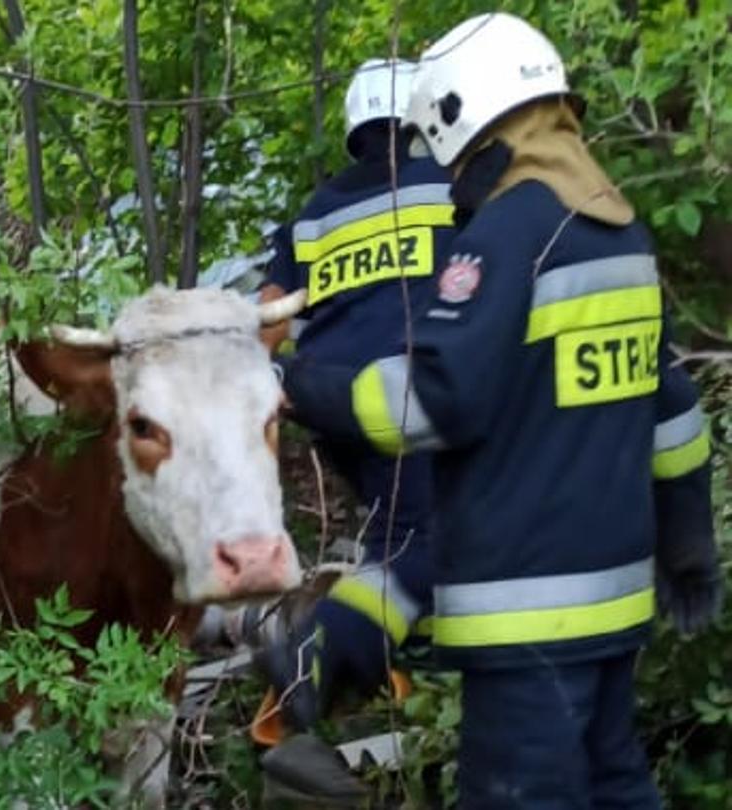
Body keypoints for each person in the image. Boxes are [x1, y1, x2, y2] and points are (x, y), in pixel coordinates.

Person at [274, 12, 723, 807]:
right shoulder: (617, 230)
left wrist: (303, 388)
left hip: (525, 624)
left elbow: (436, 401)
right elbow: (674, 415)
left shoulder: (512, 231)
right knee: (615, 784)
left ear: (463, 121)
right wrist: (688, 543)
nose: (449, 179)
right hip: (615, 608)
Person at [244, 56, 458, 801]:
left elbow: (266, 320)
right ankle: (316, 657)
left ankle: (390, 682)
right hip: (414, 395)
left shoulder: (315, 211)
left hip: (331, 401)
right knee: (435, 537)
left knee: (399, 533)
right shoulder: (454, 189)